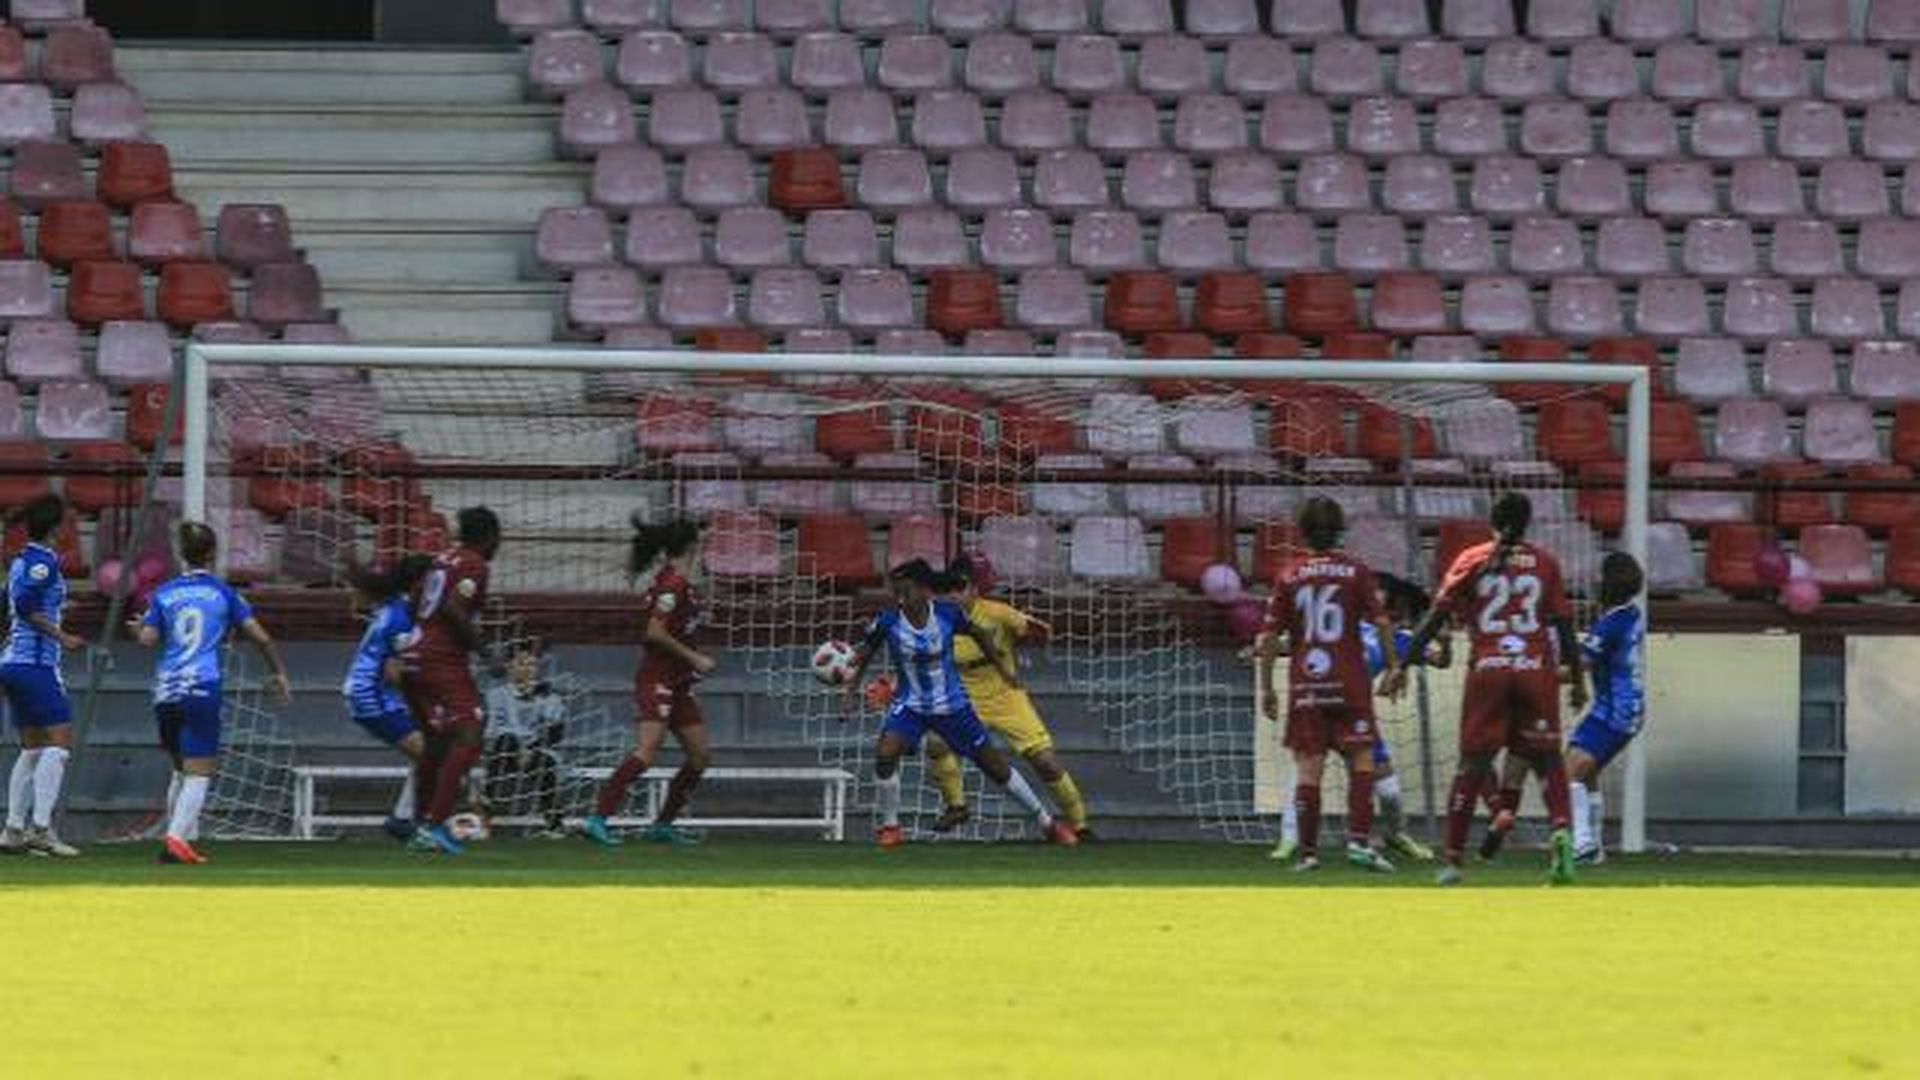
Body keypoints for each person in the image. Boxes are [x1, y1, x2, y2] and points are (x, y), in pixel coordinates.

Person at [1386, 492, 1586, 887]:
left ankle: (1453, 862)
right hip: (1534, 667)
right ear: (1528, 524)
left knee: (1472, 766)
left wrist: (1403, 665)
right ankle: (1562, 831)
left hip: (1489, 668)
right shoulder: (1546, 563)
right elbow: (1564, 627)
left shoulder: (1472, 559)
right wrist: (1578, 678)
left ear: (1492, 521)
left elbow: (1435, 616)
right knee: (1547, 762)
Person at [845, 559, 1078, 848]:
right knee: (885, 754)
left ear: (923, 590)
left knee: (993, 766)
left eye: (906, 591)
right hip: (911, 705)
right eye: (897, 592)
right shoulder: (888, 621)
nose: (900, 598)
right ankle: (890, 828)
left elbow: (980, 634)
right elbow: (866, 654)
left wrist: (1003, 670)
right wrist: (850, 691)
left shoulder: (947, 615)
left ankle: (1047, 823)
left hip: (952, 706)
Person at [1258, 498, 1402, 873]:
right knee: (1362, 762)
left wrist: (1267, 687)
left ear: (1303, 532)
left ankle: (1307, 854)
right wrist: (1393, 665)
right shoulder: (1356, 572)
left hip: (1308, 685)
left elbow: (1269, 636)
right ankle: (1358, 843)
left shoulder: (1289, 575)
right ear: (1340, 531)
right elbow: (1383, 623)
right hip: (1350, 683)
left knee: (1309, 770)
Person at [135, 522, 291, 865]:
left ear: (182, 555)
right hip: (201, 686)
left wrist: (140, 628)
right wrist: (278, 673)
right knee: (200, 769)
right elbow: (260, 637)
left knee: (181, 766)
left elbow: (146, 639)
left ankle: (179, 834)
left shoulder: (163, 593)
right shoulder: (224, 593)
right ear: (212, 553)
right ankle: (177, 840)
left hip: (166, 690)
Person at [1271, 572, 1448, 864]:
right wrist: (1263, 649)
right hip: (1320, 705)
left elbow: (1441, 660)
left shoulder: (1397, 638)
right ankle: (1289, 840)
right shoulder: (1340, 624)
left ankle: (1395, 834)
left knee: (1389, 791)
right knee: (1304, 772)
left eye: (1379, 593)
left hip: (1355, 715)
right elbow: (1294, 643)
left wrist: (1447, 642)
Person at [923, 555, 1093, 839]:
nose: (953, 594)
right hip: (963, 698)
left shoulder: (998, 614)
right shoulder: (935, 621)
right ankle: (957, 805)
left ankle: (1081, 825)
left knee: (1046, 763)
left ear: (974, 590)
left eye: (960, 588)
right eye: (949, 589)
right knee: (936, 743)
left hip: (1005, 696)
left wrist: (1037, 633)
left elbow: (1036, 630)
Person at [586, 517, 714, 847]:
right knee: (646, 751)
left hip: (679, 682)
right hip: (657, 678)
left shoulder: (681, 584)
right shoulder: (671, 585)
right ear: (690, 545)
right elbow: (654, 632)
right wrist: (695, 658)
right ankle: (598, 818)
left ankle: (662, 825)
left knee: (700, 756)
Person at [403, 506, 502, 856]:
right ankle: (434, 825)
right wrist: (485, 651)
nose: (498, 546)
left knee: (438, 743)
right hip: (439, 658)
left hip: (414, 652)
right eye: (498, 538)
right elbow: (453, 609)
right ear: (488, 537)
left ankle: (419, 825)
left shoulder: (442, 559)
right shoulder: (474, 563)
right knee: (471, 731)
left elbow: (416, 601)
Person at [0, 495, 85, 857]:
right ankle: (40, 830)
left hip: (13, 662)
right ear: (55, 529)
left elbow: (14, 603)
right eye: (68, 523)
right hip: (34, 664)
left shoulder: (21, 560)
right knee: (61, 743)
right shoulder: (43, 563)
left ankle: (13, 830)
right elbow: (25, 607)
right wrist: (62, 635)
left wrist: (58, 610)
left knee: (33, 748)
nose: (72, 530)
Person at [342, 554, 433, 842]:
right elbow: (394, 673)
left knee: (431, 752)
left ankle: (406, 819)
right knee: (432, 754)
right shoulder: (403, 617)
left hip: (369, 691)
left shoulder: (395, 608)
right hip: (371, 695)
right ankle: (411, 821)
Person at [1567, 552, 1646, 864]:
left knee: (1568, 773)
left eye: (1601, 576)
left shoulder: (1610, 625)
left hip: (1615, 712)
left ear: (1609, 583)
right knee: (1587, 773)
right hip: (1626, 708)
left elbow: (1582, 664)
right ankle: (1594, 845)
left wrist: (1539, 670)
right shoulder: (1631, 613)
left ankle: (1583, 843)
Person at [485, 640, 567, 838]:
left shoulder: (549, 695)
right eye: (522, 663)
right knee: (507, 740)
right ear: (509, 666)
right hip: (502, 748)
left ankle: (554, 825)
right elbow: (492, 729)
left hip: (534, 749)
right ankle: (485, 809)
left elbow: (554, 733)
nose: (528, 669)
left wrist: (531, 748)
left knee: (546, 762)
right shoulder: (495, 695)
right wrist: (518, 747)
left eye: (532, 664)